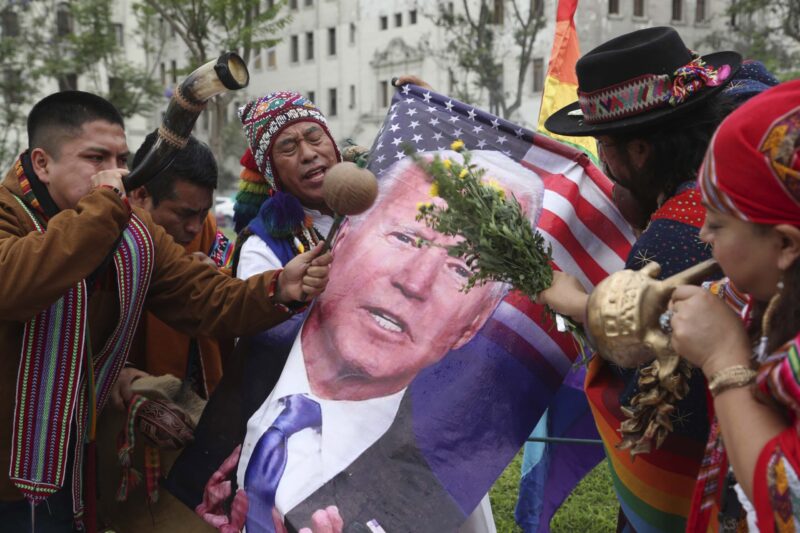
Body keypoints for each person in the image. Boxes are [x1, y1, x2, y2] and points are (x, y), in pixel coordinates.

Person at [0, 90, 332, 531]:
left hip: (72, 456)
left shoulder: (129, 230)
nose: (116, 172)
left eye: (121, 158)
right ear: (42, 163)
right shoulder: (42, 213)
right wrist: (104, 205)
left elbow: (206, 298)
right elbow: (14, 285)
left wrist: (279, 287)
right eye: (96, 158)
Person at [196, 150, 545, 532]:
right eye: (405, 238)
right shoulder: (248, 370)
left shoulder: (438, 493)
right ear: (343, 237)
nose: (414, 283)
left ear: (475, 322)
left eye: (461, 269)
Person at [540, 27, 744, 531]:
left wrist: (581, 306)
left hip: (708, 489)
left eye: (603, 146)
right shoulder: (735, 185)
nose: (603, 164)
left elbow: (641, 371)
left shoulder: (675, 233)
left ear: (639, 151)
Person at [665, 80, 800, 531]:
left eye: (717, 224)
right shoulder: (770, 300)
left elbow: (789, 505)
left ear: (785, 244)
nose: (703, 235)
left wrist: (724, 358)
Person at [96, 131, 236, 533]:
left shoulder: (206, 230)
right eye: (183, 214)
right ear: (140, 195)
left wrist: (213, 279)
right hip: (129, 403)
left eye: (202, 213)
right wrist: (115, 368)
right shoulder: (103, 233)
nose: (194, 227)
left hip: (196, 390)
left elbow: (227, 299)